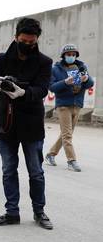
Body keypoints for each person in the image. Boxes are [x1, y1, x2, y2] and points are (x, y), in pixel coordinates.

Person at [0, 17, 53, 230]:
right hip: (6, 122)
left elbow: (42, 89)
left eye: (32, 42)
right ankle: (12, 211)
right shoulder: (2, 60)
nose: (27, 45)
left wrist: (25, 93)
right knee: (8, 170)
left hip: (31, 123)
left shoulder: (44, 61)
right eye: (24, 40)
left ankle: (39, 210)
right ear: (15, 37)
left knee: (36, 171)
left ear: (37, 40)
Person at [45, 44, 94, 172]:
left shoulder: (81, 67)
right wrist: (65, 82)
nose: (71, 57)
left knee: (66, 134)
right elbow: (52, 87)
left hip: (77, 104)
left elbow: (90, 84)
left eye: (73, 55)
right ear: (63, 56)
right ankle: (71, 161)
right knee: (67, 135)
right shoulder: (56, 69)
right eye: (68, 55)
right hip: (63, 106)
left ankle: (50, 154)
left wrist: (86, 79)